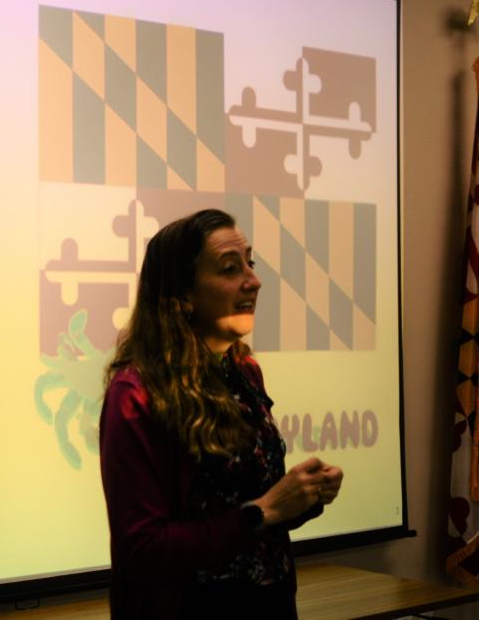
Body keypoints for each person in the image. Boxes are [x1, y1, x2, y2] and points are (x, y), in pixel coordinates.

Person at [99, 208, 343, 619]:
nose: (254, 279)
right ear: (182, 295)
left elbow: (256, 513)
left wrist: (302, 498)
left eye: (251, 262)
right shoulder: (136, 394)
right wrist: (262, 512)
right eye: (231, 268)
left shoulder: (244, 371)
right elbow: (140, 551)